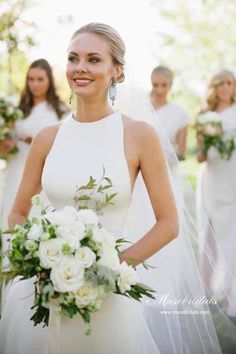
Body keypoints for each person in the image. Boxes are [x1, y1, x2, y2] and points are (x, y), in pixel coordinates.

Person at [0, 23, 223, 354]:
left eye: (94, 59)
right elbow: (18, 213)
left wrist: (108, 271)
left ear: (117, 71)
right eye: (73, 58)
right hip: (44, 289)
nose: (80, 68)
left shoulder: (139, 135)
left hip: (107, 295)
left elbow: (168, 224)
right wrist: (40, 262)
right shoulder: (47, 138)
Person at [1, 58, 69, 231]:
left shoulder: (59, 110)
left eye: (40, 79)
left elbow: (66, 145)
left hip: (45, 174)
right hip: (16, 169)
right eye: (31, 79)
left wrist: (37, 142)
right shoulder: (18, 109)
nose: (35, 84)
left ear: (49, 81)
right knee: (12, 217)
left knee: (39, 219)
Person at [196, 69, 236, 317]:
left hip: (232, 180)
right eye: (220, 83)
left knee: (232, 239)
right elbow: (200, 157)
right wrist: (210, 142)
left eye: (230, 83)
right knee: (207, 239)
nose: (225, 87)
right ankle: (207, 291)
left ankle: (229, 292)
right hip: (211, 180)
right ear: (214, 87)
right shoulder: (205, 116)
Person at [151, 65, 190, 162]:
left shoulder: (180, 113)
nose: (159, 90)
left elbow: (182, 153)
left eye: (164, 85)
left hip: (169, 167)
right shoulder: (141, 109)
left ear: (170, 86)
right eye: (155, 85)